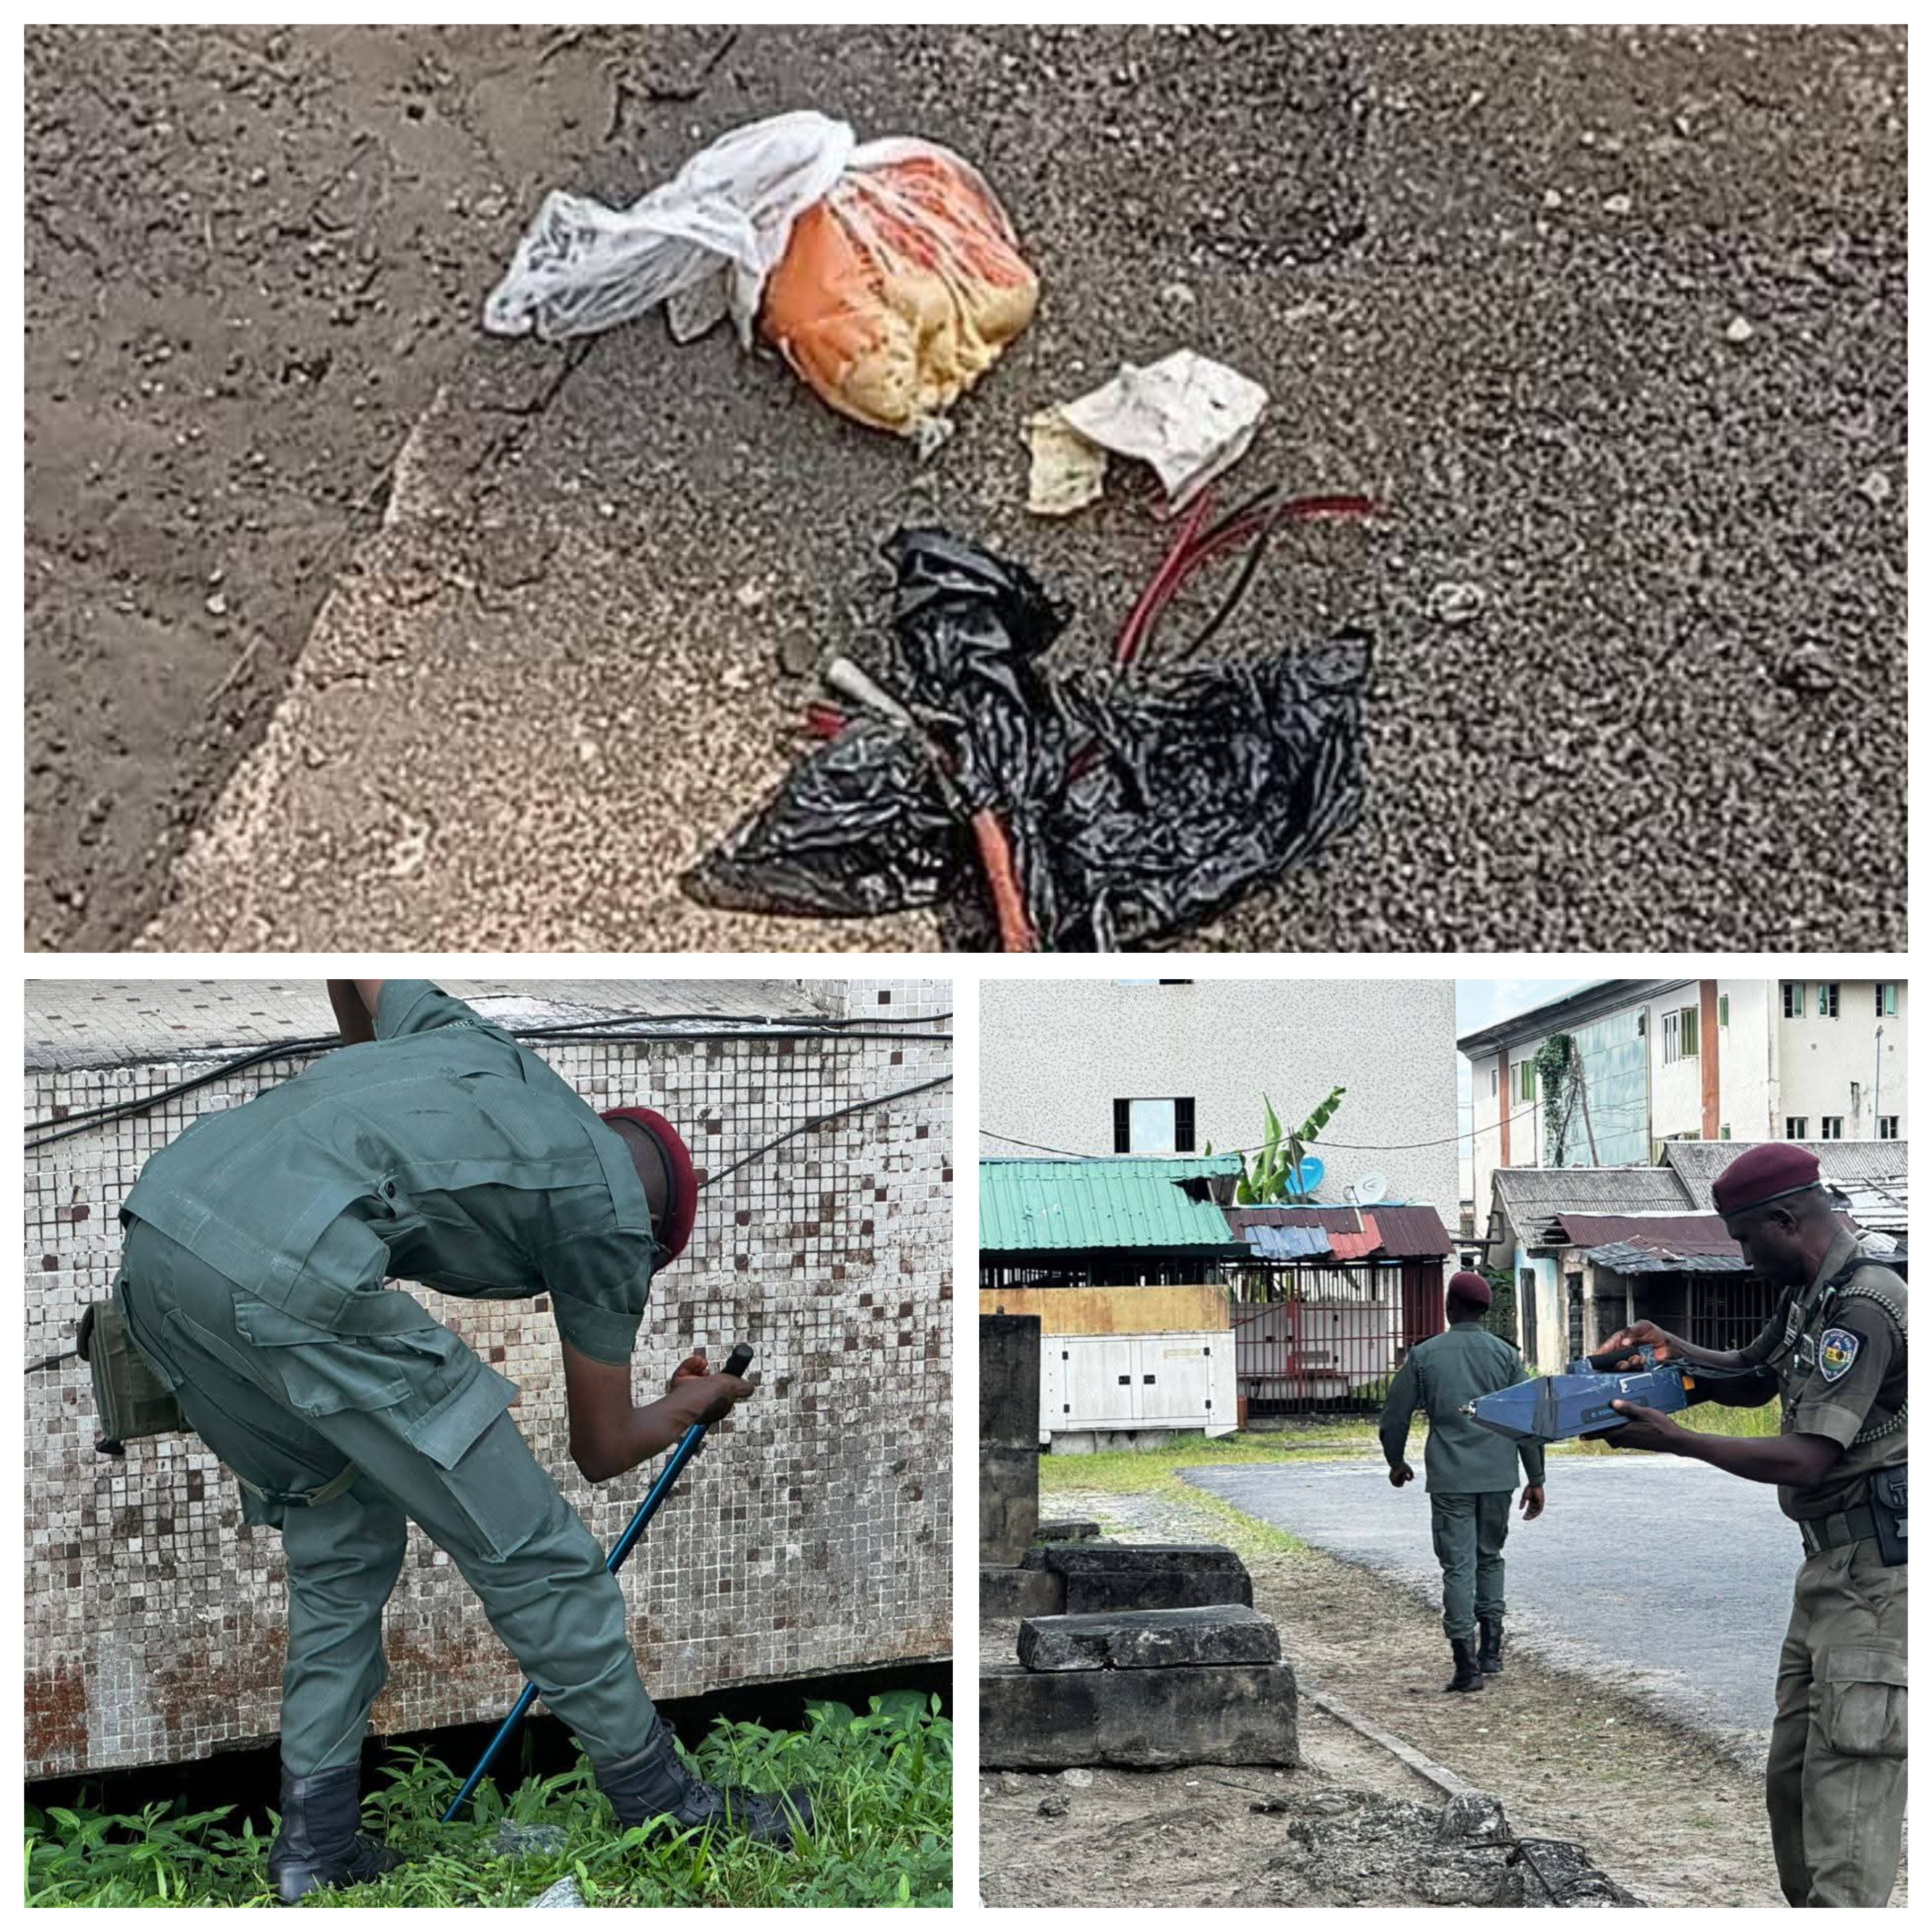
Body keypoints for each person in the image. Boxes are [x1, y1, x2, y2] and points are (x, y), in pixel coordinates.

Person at [114, 979, 806, 1901]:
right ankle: (663, 1798)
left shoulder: (473, 1045)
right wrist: (694, 1401)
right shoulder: (610, 1218)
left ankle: (315, 1846)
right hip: (292, 1270)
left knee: (343, 1534)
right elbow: (599, 1443)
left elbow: (355, 963)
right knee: (540, 1551)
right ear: (649, 1238)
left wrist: (363, 1066)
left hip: (161, 1232)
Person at [1597, 1142, 1906, 1909]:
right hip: (1828, 1576)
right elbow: (1751, 1375)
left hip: (1879, 1585)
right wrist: (1672, 1352)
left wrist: (1677, 1440)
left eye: (1743, 1237)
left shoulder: (1865, 1304)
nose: (1739, 1253)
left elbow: (1806, 1457)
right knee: (1793, 1785)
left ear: (1784, 1218)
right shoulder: (1810, 1293)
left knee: (1848, 1795)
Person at [1379, 1271, 1547, 1692]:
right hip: (1498, 1476)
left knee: (1458, 1567)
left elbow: (1395, 1417)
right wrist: (1536, 1477)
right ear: (1486, 1311)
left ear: (1449, 1306)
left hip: (1451, 1478)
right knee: (1490, 1557)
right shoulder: (1506, 1357)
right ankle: (1492, 1652)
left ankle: (1466, 1666)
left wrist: (1396, 1461)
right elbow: (1527, 1418)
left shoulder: (1424, 1357)